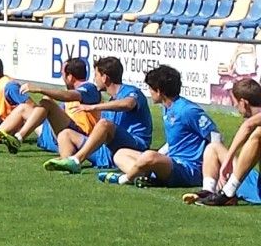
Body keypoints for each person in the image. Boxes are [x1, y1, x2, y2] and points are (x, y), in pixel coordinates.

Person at [97, 64, 220, 188]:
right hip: (172, 162)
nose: (149, 92)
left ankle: (124, 179)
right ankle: (146, 177)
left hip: (188, 169)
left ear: (159, 91)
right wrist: (159, 154)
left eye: (151, 88)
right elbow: (175, 141)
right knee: (120, 154)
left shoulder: (187, 110)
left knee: (149, 156)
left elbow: (215, 135)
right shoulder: (168, 108)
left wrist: (215, 167)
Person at [0, 57, 100, 153]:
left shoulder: (89, 88)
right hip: (53, 137)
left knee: (47, 102)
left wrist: (41, 89)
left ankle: (19, 138)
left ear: (70, 76)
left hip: (77, 136)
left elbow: (72, 96)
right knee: (23, 108)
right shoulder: (67, 93)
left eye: (63, 73)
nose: (62, 76)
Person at [43, 57, 153, 174]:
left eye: (96, 75)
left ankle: (76, 160)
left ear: (105, 78)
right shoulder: (110, 100)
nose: (94, 80)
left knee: (104, 124)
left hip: (134, 146)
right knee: (65, 134)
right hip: (106, 151)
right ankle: (67, 164)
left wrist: (93, 107)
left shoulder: (132, 92)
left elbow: (128, 104)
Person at [183, 78, 261, 206]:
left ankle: (227, 192)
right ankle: (209, 191)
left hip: (258, 189)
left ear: (243, 103)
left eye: (235, 103)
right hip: (256, 181)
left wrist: (228, 161)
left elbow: (248, 125)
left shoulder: (254, 124)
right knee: (214, 147)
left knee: (258, 133)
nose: (235, 107)